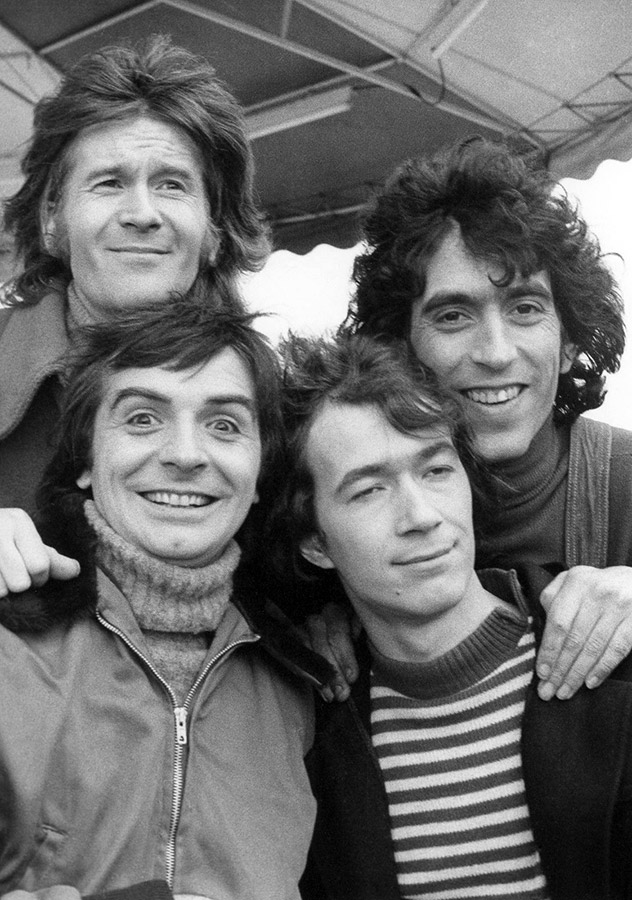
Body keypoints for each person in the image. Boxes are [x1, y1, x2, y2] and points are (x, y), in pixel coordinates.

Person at [278, 332, 632, 900]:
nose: (421, 515)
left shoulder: (612, 651)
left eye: (437, 471)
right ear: (315, 542)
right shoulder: (306, 739)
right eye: (369, 491)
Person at [0, 295, 331, 900]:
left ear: (261, 473)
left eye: (224, 425)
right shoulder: (10, 646)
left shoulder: (303, 684)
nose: (185, 454)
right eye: (142, 419)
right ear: (84, 459)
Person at [315, 137, 632, 702]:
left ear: (568, 341)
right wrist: (313, 614)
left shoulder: (625, 480)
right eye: (453, 316)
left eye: (525, 308)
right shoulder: (347, 512)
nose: (495, 352)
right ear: (398, 347)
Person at [0, 34, 269, 594]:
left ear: (215, 230)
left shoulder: (271, 402)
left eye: (172, 184)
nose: (142, 213)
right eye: (109, 183)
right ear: (52, 219)